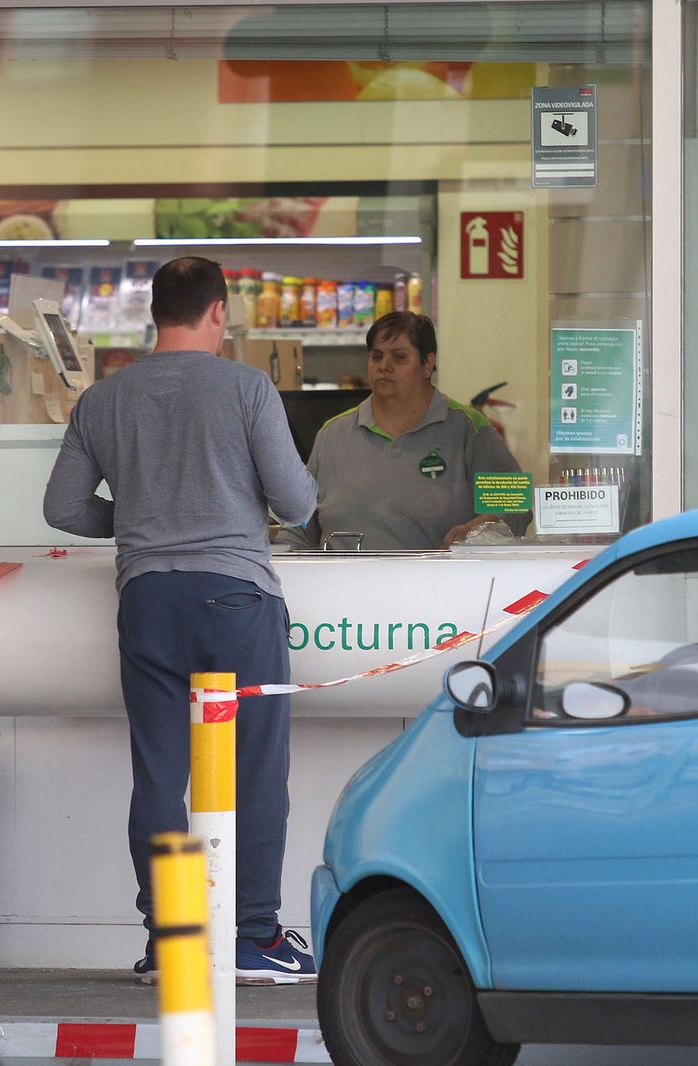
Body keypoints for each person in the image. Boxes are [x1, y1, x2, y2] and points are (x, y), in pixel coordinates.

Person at [42, 256, 320, 984]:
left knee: (161, 774)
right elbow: (296, 503)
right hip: (236, 599)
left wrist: (140, 514)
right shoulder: (247, 388)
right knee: (255, 768)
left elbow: (62, 507)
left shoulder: (104, 399)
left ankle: (171, 936)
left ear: (154, 312)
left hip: (146, 602)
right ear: (218, 312)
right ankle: (251, 936)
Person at [278, 311, 525, 550]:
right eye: (376, 356)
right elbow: (300, 525)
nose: (384, 366)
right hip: (342, 586)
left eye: (398, 357)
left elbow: (516, 507)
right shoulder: (332, 434)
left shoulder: (471, 429)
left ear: (427, 364)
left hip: (441, 587)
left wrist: (477, 530)